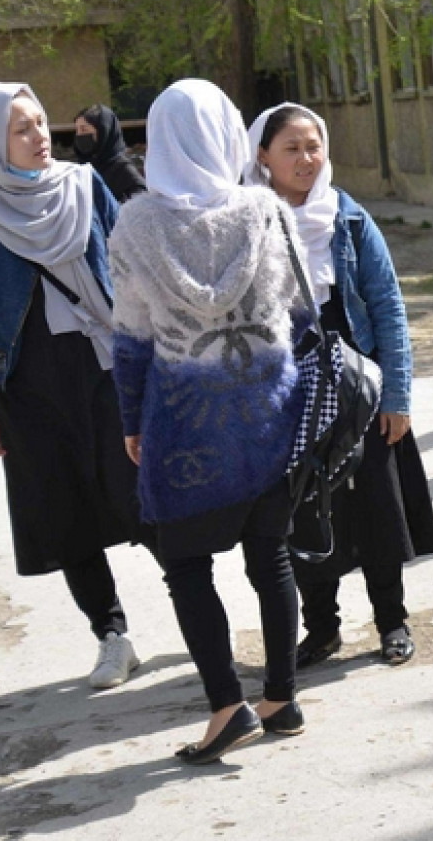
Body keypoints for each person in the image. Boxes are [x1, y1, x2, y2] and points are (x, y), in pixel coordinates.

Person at [109, 78, 308, 765]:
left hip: (185, 419)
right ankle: (281, 696)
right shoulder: (266, 211)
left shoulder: (135, 225)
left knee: (187, 564)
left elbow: (131, 337)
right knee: (270, 552)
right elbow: (298, 303)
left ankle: (228, 705)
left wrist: (131, 418)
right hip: (269, 411)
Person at [0, 82, 145, 691]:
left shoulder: (84, 186)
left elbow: (133, 270)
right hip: (28, 381)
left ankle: (197, 616)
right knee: (66, 514)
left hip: (106, 366)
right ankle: (112, 637)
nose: (41, 139)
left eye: (39, 122)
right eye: (22, 129)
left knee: (145, 494)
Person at [242, 104, 433, 670]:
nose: (307, 159)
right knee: (300, 506)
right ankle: (322, 629)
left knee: (378, 503)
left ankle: (392, 622)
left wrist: (397, 396)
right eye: (291, 148)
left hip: (359, 382)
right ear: (263, 156)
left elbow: (388, 307)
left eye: (314, 146)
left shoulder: (349, 218)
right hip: (287, 388)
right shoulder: (246, 223)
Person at [71, 105, 147, 202]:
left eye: (84, 129)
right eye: (77, 130)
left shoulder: (124, 172)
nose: (79, 135)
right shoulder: (79, 169)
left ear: (103, 132)